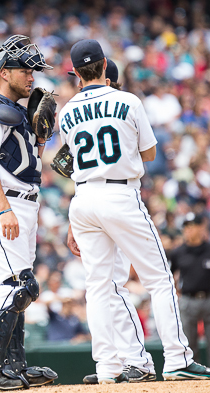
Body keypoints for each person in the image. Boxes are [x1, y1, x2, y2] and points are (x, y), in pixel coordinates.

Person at [60, 39, 210, 384]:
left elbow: (68, 162)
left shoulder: (66, 111)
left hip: (83, 199)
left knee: (98, 287)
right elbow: (148, 154)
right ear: (104, 65)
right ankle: (177, 359)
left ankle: (107, 367)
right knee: (159, 280)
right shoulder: (127, 100)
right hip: (119, 194)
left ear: (75, 73)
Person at [0, 35, 58, 390]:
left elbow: (26, 161)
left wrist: (42, 138)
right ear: (4, 72)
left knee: (19, 288)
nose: (32, 76)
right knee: (20, 286)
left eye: (34, 70)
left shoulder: (17, 110)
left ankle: (12, 365)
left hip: (25, 202)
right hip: (2, 203)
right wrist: (3, 209)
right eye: (25, 69)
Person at [68, 59, 157, 384]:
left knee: (107, 288)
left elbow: (68, 166)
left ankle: (127, 361)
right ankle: (127, 361)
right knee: (111, 288)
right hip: (112, 200)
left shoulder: (89, 108)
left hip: (97, 201)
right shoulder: (123, 107)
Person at [169, 212, 210, 379]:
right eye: (186, 227)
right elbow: (170, 274)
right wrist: (178, 292)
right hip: (188, 299)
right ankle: (192, 380)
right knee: (189, 344)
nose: (188, 230)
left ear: (200, 227)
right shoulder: (178, 252)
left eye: (192, 226)